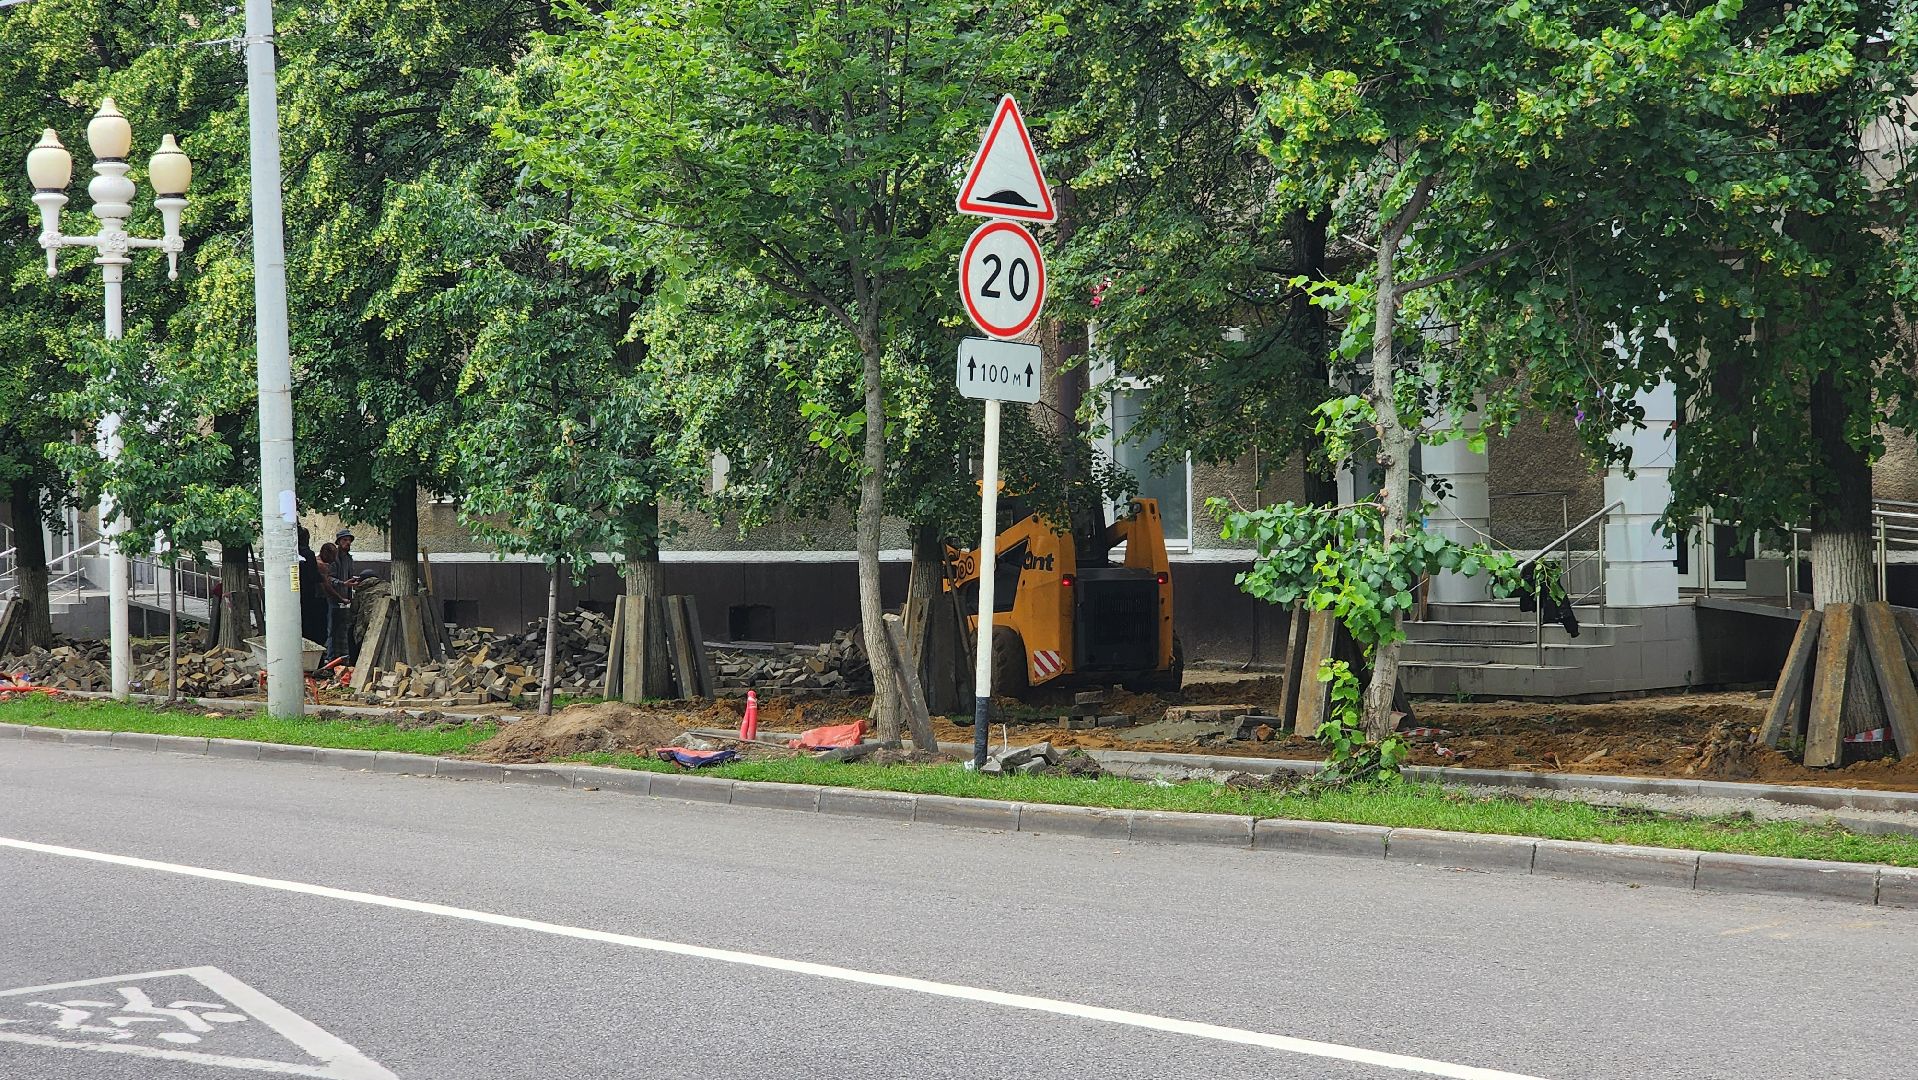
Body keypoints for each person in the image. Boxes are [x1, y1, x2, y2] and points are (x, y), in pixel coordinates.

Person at [297, 527, 328, 647]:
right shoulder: (308, 554)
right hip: (309, 594)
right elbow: (313, 575)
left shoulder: (292, 552)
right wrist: (323, 576)